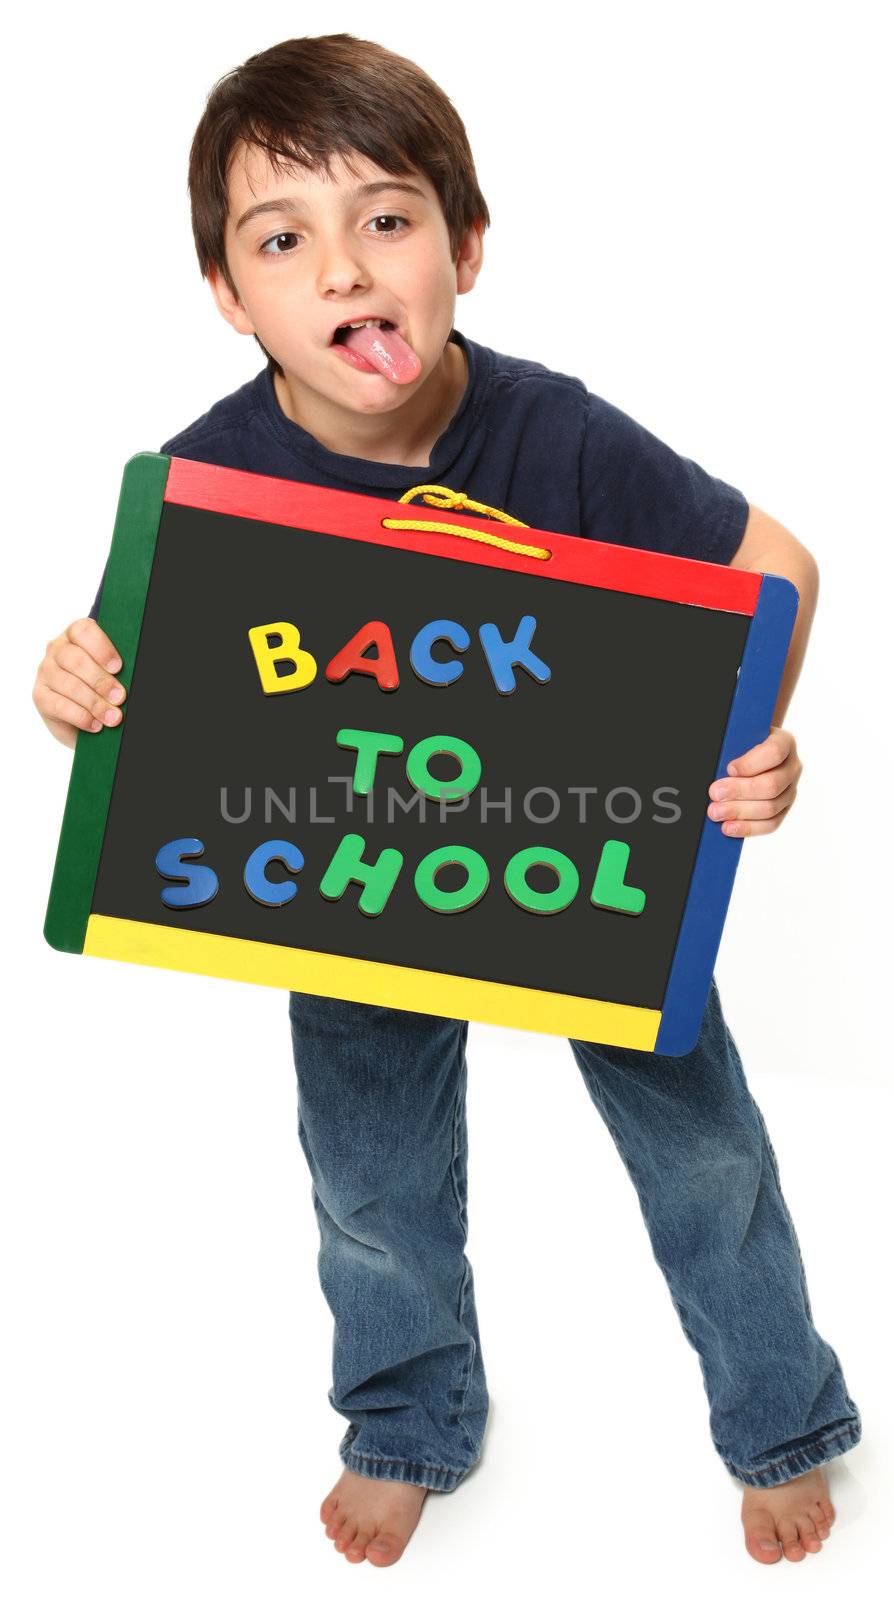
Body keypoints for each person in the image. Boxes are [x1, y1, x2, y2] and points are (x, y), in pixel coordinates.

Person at [32, 32, 861, 1570]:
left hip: (585, 874)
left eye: (387, 219)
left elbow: (775, 568)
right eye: (283, 239)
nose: (342, 265)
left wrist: (749, 748)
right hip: (347, 892)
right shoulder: (209, 480)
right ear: (228, 294)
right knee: (369, 1175)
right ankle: (407, 1418)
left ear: (463, 248)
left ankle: (778, 1413)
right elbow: (146, 707)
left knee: (704, 1152)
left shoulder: (553, 433)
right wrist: (74, 689)